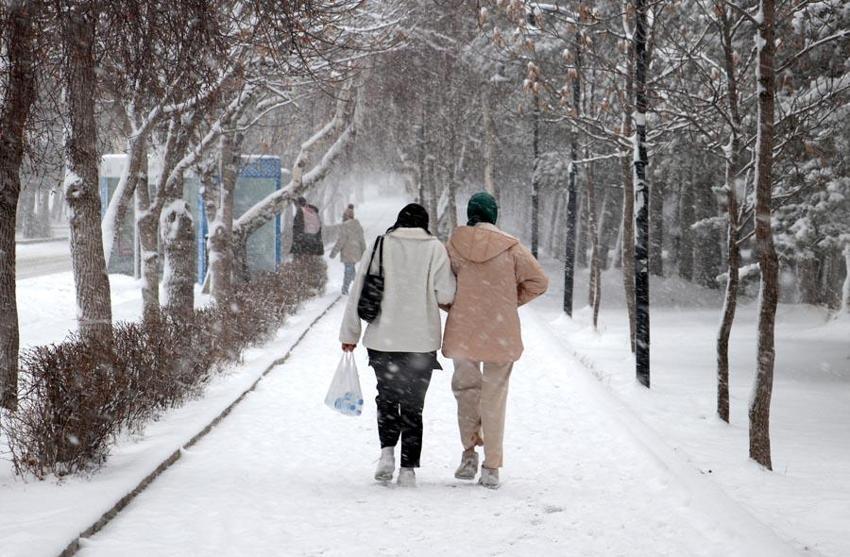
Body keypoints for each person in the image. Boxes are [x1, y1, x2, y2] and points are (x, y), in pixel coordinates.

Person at [339, 203, 456, 487]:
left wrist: (350, 334)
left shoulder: (380, 245)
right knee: (414, 406)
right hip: (420, 342)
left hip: (384, 339)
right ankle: (408, 470)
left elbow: (358, 290)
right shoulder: (435, 249)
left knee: (387, 398)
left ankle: (387, 454)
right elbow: (446, 293)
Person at [442, 192, 549, 489]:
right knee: (494, 396)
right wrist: (509, 302)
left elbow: (441, 287)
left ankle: (468, 454)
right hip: (500, 332)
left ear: (470, 214)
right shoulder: (511, 247)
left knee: (466, 391)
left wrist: (456, 306)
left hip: (464, 330)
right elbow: (539, 282)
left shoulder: (454, 245)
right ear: (494, 215)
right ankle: (491, 466)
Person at [330, 204, 366, 295]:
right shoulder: (358, 225)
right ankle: (358, 287)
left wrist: (334, 252)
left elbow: (341, 241)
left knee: (348, 271)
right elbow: (362, 240)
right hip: (356, 252)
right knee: (351, 270)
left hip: (348, 253)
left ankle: (346, 289)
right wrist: (364, 252)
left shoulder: (345, 226)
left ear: (346, 216)